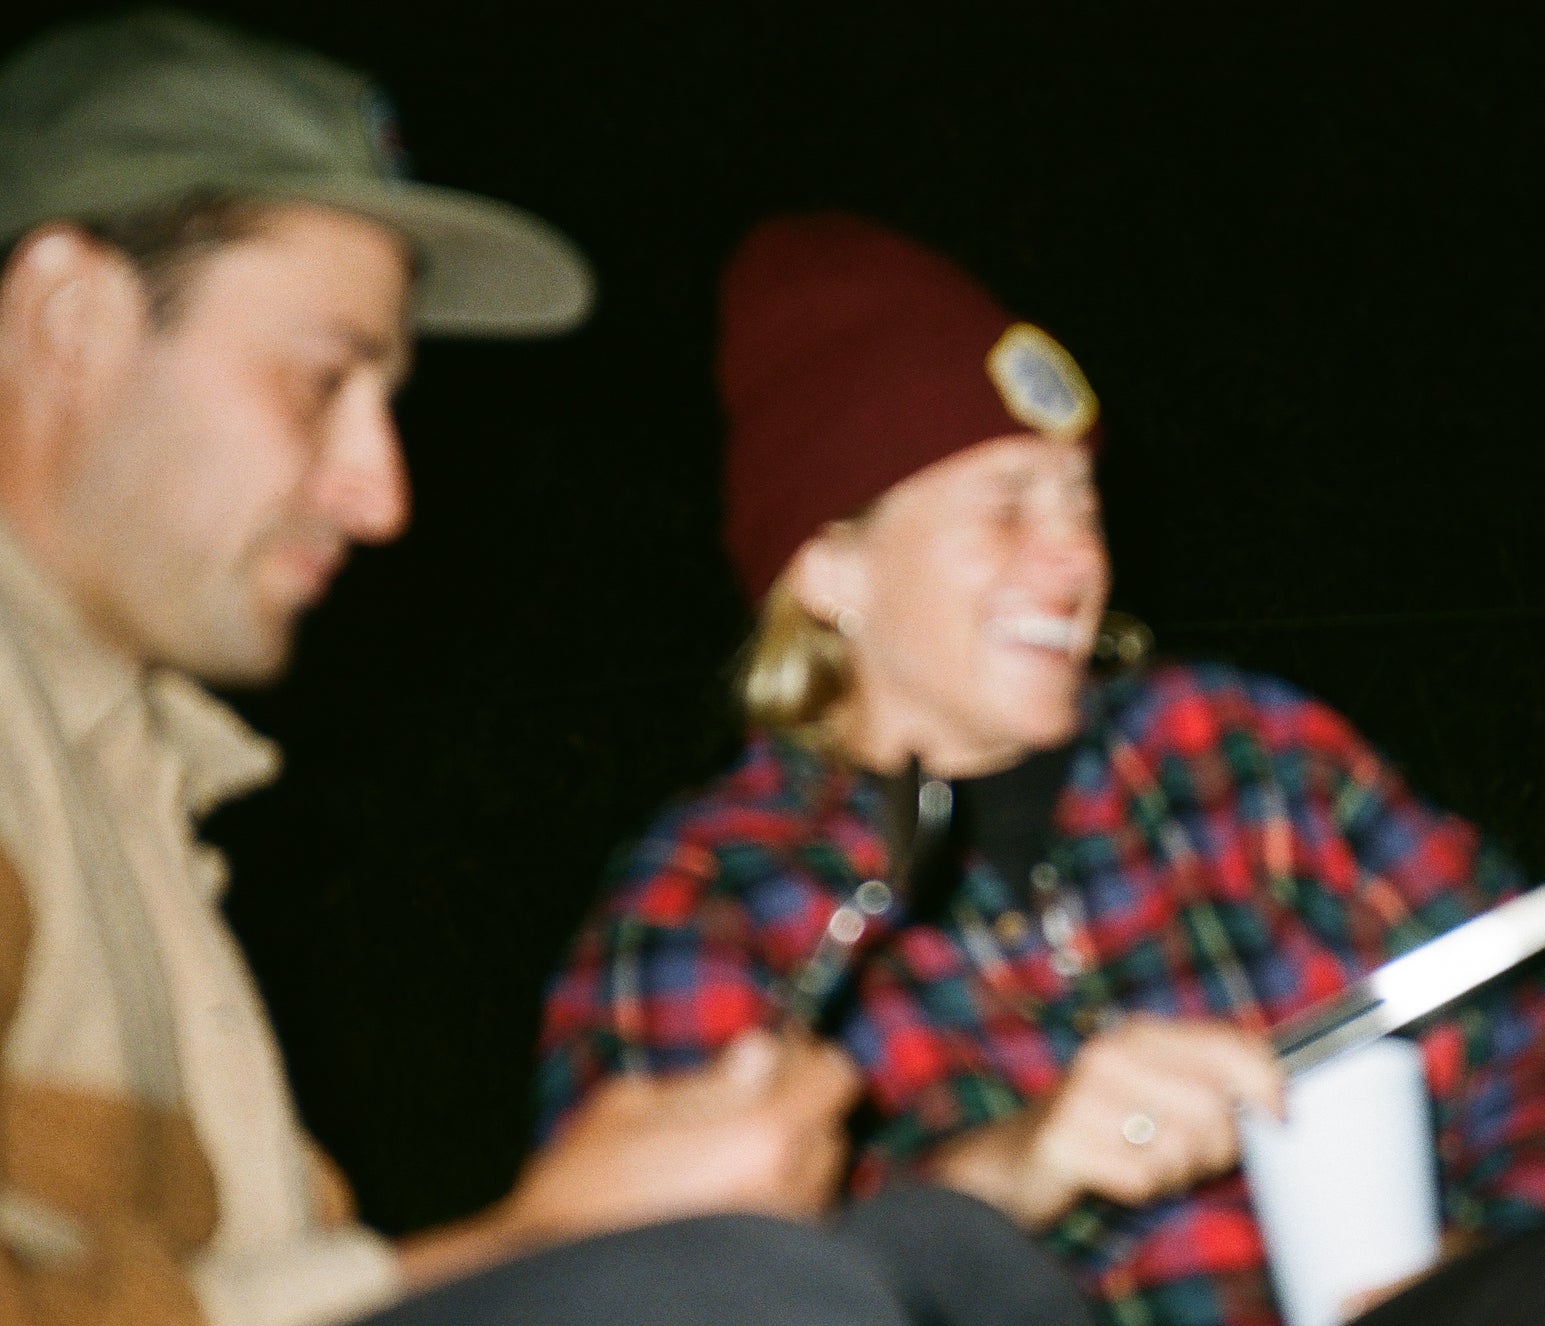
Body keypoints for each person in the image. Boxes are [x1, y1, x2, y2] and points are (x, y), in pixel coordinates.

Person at [0, 14, 1087, 1326]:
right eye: (321, 379)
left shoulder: (125, 769)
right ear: (69, 318)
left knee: (952, 1261)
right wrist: (544, 1231)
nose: (382, 492)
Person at [536, 212, 1545, 1326]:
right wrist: (1011, 1175)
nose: (1073, 558)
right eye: (1006, 505)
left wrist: (1495, 1253)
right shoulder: (716, 906)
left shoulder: (1236, 755)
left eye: (1081, 500)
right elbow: (659, 1291)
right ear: (828, 568)